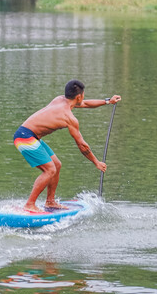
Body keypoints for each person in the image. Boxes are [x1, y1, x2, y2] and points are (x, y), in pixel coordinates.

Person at [13, 79, 120, 212]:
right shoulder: (69, 118)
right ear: (79, 96)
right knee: (50, 170)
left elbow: (85, 103)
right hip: (25, 138)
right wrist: (96, 162)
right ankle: (30, 204)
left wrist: (108, 101)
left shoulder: (59, 99)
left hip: (29, 136)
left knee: (56, 165)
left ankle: (50, 202)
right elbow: (82, 145)